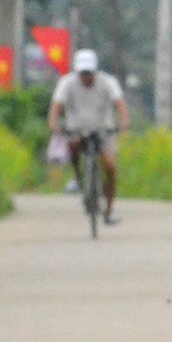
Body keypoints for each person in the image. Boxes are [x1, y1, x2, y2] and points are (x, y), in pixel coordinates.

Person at [48, 49, 129, 223]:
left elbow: (120, 104)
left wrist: (124, 123)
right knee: (73, 146)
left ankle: (109, 209)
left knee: (110, 166)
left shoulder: (108, 82)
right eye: (82, 73)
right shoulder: (67, 82)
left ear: (95, 71)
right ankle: (78, 177)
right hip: (77, 129)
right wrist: (54, 124)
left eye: (89, 73)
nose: (86, 77)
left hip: (103, 130)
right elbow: (56, 106)